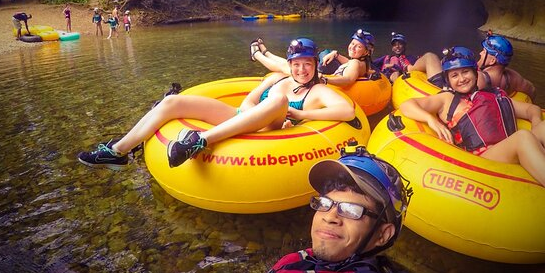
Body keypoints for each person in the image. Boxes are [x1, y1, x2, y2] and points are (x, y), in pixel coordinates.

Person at [0, 146, 428, 273]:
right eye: (325, 202)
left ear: (383, 232)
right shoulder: (322, 260)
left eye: (350, 209)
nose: (329, 216)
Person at [398, 46, 545, 236]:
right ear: (448, 80)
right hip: (484, 159)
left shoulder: (495, 96)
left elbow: (532, 110)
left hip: (512, 149)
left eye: (465, 72)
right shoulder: (445, 100)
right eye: (454, 75)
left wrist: (538, 128)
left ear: (475, 72)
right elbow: (408, 105)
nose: (461, 79)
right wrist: (433, 122)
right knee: (523, 137)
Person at [77, 37, 357, 168]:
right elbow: (249, 100)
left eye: (307, 64)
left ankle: (201, 141)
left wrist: (298, 115)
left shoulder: (317, 90)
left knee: (279, 101)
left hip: (269, 133)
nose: (301, 70)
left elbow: (347, 110)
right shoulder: (277, 78)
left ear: (314, 65)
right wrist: (248, 112)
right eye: (296, 65)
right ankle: (117, 151)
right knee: (173, 102)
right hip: (242, 118)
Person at [410, 32, 536, 101]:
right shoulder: (513, 77)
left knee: (430, 56)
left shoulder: (479, 78)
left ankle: (409, 69)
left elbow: (454, 95)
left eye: (484, 51)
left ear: (492, 60)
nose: (480, 53)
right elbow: (531, 89)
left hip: (445, 86)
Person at [251, 29, 375, 88]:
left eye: (358, 46)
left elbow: (348, 79)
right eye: (352, 43)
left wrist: (325, 80)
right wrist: (336, 54)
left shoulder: (355, 64)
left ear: (366, 51)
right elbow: (350, 65)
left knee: (285, 66)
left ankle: (257, 55)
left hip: (316, 80)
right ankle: (266, 53)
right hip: (321, 77)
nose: (352, 47)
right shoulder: (361, 63)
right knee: (287, 63)